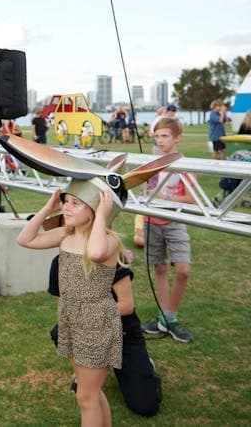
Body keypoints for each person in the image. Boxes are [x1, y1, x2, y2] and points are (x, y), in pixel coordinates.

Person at [16, 186, 124, 427]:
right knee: (91, 393)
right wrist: (48, 207)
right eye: (66, 201)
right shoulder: (66, 235)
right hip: (71, 319)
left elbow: (95, 253)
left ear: (96, 209)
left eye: (77, 203)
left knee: (86, 396)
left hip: (95, 322)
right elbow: (25, 239)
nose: (67, 207)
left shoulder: (108, 241)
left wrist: (103, 216)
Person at [48, 254, 162, 417]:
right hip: (86, 332)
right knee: (62, 331)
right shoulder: (59, 261)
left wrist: (88, 314)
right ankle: (86, 372)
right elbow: (63, 308)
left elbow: (126, 305)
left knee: (146, 405)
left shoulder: (112, 255)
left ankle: (144, 366)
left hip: (122, 333)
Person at [141, 117, 196, 343]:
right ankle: (165, 318)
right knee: (160, 269)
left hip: (174, 221)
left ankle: (169, 318)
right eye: (157, 136)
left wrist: (168, 198)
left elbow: (192, 199)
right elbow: (144, 190)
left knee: (182, 269)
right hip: (151, 221)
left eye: (165, 136)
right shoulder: (151, 163)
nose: (160, 141)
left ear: (177, 138)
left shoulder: (185, 165)